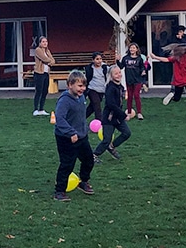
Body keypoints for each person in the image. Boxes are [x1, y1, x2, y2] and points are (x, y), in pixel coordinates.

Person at [52, 70, 95, 201]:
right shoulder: (64, 100)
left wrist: (83, 129)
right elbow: (60, 118)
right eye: (79, 86)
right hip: (66, 138)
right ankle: (59, 191)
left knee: (89, 160)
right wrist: (71, 132)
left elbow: (80, 115)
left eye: (84, 86)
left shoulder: (81, 97)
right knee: (67, 164)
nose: (83, 89)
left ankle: (83, 182)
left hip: (81, 136)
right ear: (69, 85)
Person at [93, 65, 133, 163]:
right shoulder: (110, 88)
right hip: (109, 118)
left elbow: (119, 103)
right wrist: (124, 115)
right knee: (106, 139)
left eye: (119, 72)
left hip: (117, 117)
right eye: (116, 73)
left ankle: (112, 146)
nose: (119, 75)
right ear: (111, 76)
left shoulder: (120, 87)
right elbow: (111, 105)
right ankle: (94, 155)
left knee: (127, 133)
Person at [118, 42, 148, 119]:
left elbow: (142, 67)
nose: (132, 49)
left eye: (134, 48)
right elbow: (121, 67)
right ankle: (129, 113)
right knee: (130, 97)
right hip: (129, 80)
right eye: (131, 48)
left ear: (137, 49)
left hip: (137, 80)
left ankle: (139, 113)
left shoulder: (139, 59)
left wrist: (143, 71)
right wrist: (117, 60)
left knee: (136, 95)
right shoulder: (125, 58)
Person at [83, 52, 110, 119]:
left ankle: (81, 118)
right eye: (97, 59)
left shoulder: (105, 67)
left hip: (101, 90)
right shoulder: (89, 68)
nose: (99, 61)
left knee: (92, 107)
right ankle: (99, 122)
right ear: (93, 60)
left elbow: (113, 71)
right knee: (97, 105)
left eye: (100, 59)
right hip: (92, 89)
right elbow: (86, 79)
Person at [32, 36, 54, 116]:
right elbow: (45, 59)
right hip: (39, 73)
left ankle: (41, 109)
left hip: (46, 73)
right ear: (40, 43)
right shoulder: (38, 50)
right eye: (43, 42)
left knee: (45, 91)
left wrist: (50, 61)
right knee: (39, 91)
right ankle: (35, 109)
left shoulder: (47, 51)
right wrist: (49, 61)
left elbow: (53, 60)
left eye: (46, 41)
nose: (45, 43)